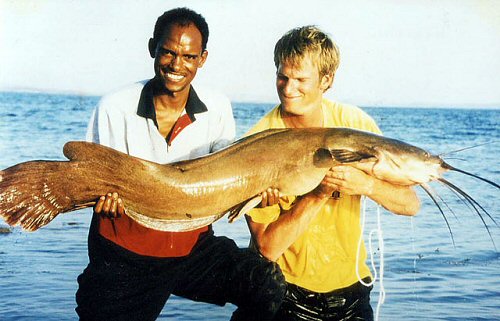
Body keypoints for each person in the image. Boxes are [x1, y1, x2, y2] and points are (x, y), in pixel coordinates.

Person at [76, 8, 285, 321]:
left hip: (192, 247)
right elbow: (92, 178)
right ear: (152, 48)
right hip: (126, 253)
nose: (177, 65)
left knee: (266, 285)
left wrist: (258, 194)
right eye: (168, 52)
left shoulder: (217, 108)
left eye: (188, 56)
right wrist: (101, 200)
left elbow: (227, 183)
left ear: (202, 59)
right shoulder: (114, 106)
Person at [245, 26, 421, 321]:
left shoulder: (354, 123)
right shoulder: (260, 139)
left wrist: (366, 184)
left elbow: (410, 204)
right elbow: (268, 248)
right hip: (286, 295)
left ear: (327, 80)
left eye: (301, 80)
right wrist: (319, 193)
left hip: (353, 293)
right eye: (282, 76)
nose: (288, 89)